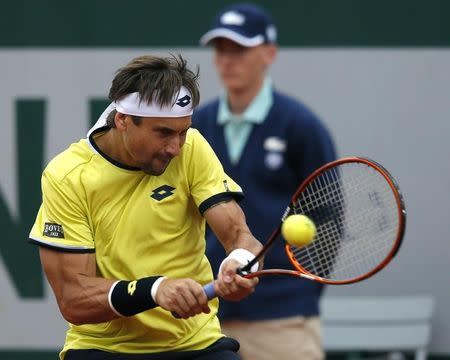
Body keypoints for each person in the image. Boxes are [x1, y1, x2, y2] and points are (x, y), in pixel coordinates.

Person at [28, 54, 264, 360]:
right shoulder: (68, 176)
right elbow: (74, 299)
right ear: (123, 120)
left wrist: (241, 261)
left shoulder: (192, 148)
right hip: (104, 349)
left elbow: (238, 233)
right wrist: (155, 290)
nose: (175, 148)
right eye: (163, 133)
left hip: (196, 345)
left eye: (182, 132)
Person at [193, 3, 337, 360]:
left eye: (239, 49)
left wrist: (295, 291)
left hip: (284, 321)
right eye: (221, 50)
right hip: (207, 321)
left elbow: (328, 218)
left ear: (268, 53)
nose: (227, 60)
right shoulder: (195, 127)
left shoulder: (300, 125)